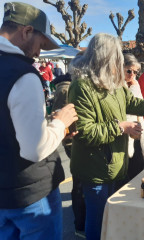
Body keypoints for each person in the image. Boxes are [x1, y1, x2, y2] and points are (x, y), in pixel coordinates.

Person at [68, 33, 144, 240]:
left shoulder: (115, 83)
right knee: (99, 218)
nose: (119, 60)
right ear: (106, 57)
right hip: (95, 168)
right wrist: (121, 127)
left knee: (111, 216)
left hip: (114, 164)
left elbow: (133, 103)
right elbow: (85, 132)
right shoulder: (82, 87)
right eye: (116, 55)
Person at [0, 2, 78, 240]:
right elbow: (34, 150)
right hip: (29, 195)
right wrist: (61, 123)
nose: (39, 54)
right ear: (26, 31)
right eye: (41, 45)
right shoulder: (23, 74)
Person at [51, 71, 86, 238]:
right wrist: (67, 137)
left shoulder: (73, 86)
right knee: (79, 182)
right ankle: (79, 225)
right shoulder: (65, 89)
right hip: (73, 142)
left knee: (82, 181)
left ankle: (81, 221)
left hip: (78, 140)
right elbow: (57, 117)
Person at [123, 53, 144, 180]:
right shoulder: (118, 86)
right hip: (125, 133)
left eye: (135, 72)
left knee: (139, 166)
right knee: (127, 171)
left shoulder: (135, 84)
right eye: (129, 70)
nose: (132, 74)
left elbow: (139, 105)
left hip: (137, 130)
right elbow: (129, 106)